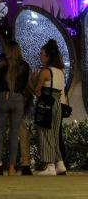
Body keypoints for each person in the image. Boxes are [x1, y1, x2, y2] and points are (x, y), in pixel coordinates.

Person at [0, 41, 30, 176]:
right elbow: (24, 86)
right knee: (14, 134)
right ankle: (12, 167)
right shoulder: (24, 66)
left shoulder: (1, 64)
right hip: (17, 98)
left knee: (0, 133)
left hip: (2, 98)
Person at [35, 39, 67, 176]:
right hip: (58, 103)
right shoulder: (60, 71)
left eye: (42, 54)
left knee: (46, 133)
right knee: (54, 133)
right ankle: (60, 163)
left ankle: (50, 166)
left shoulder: (45, 71)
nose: (40, 56)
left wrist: (31, 82)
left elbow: (37, 90)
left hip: (47, 103)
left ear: (48, 56)